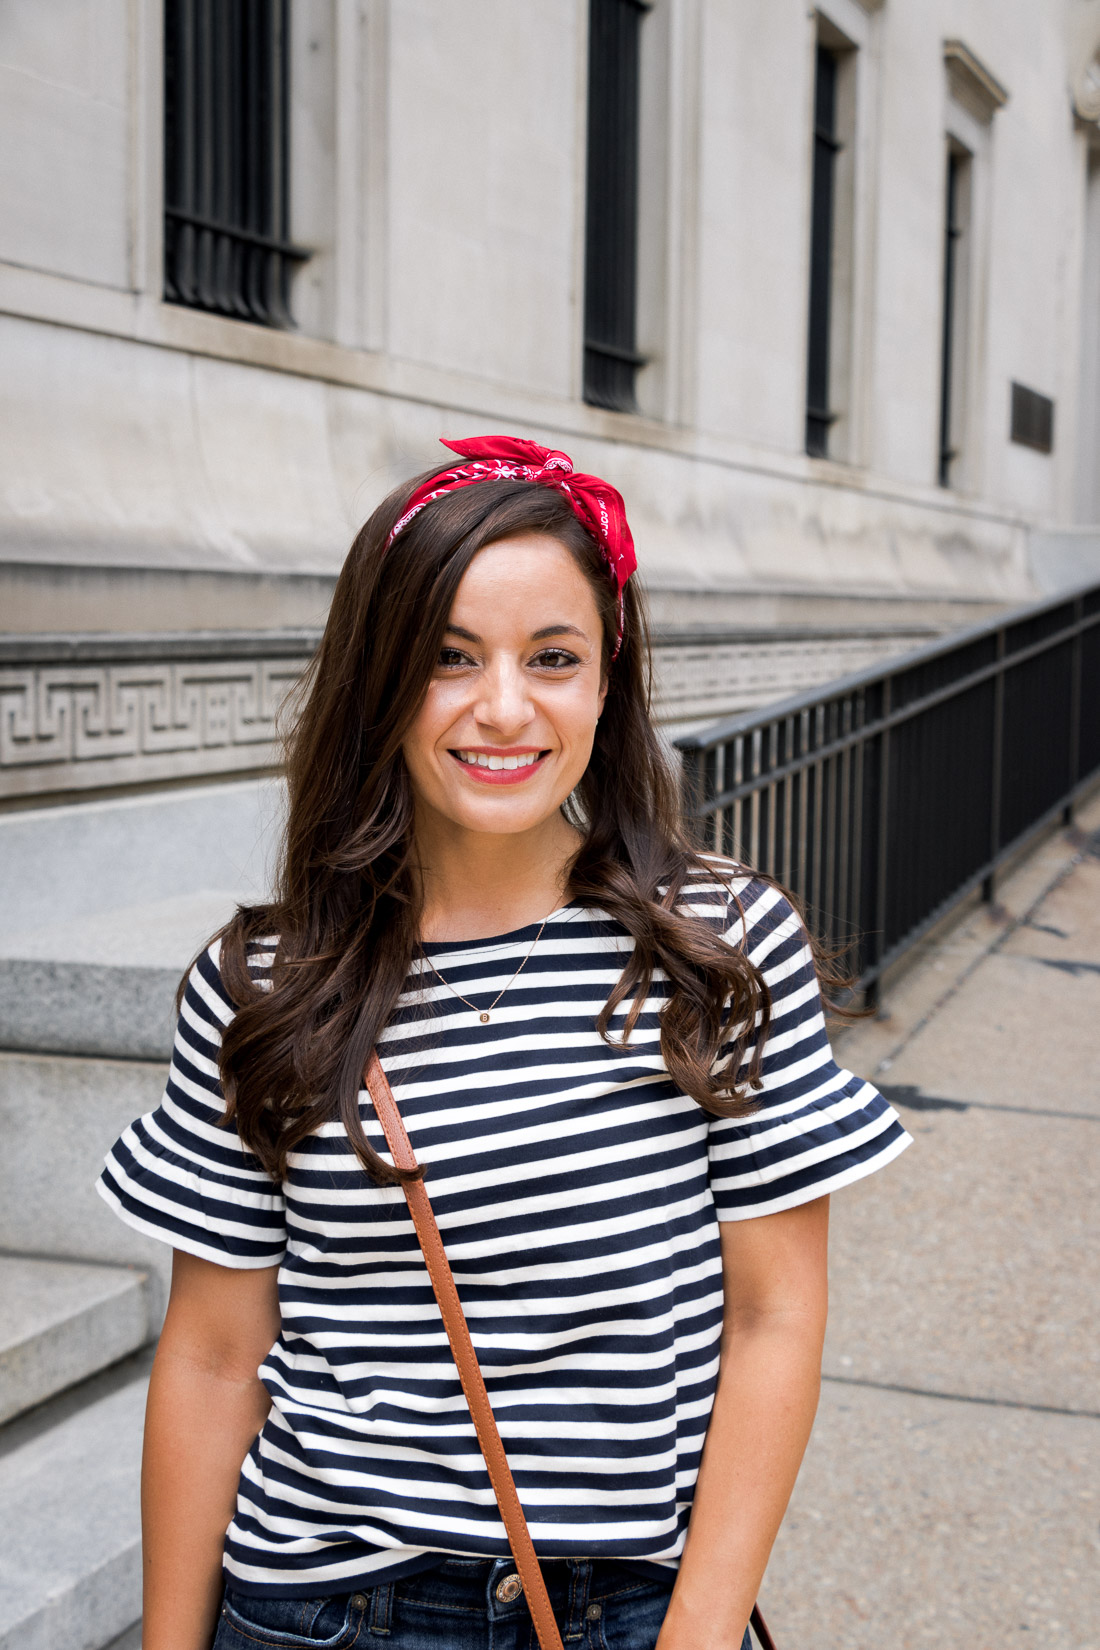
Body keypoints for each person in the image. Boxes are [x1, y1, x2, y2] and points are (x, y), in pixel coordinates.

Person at [98, 436, 911, 1650]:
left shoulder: (716, 948)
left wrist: (695, 1630)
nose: (504, 708)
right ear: (379, 679)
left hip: (622, 1606)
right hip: (324, 1608)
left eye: (552, 659)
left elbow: (773, 1320)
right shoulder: (267, 983)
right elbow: (216, 1357)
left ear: (605, 681)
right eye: (448, 658)